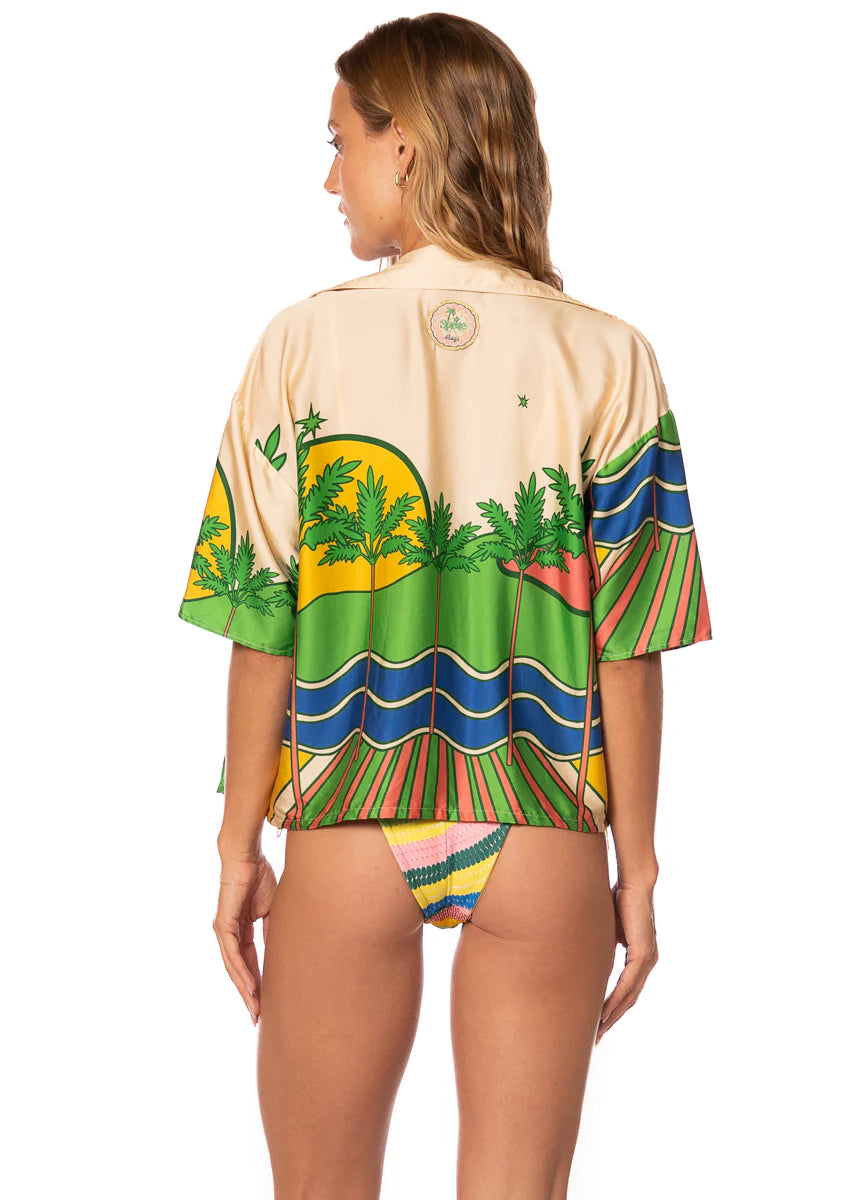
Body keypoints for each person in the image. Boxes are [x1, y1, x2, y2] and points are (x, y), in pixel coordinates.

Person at [177, 13, 712, 1199]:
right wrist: (634, 868)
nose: (329, 179)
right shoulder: (608, 354)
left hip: (348, 811)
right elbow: (629, 645)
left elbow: (262, 624)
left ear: (404, 145)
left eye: (338, 143)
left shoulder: (300, 342)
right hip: (542, 822)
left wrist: (236, 851)